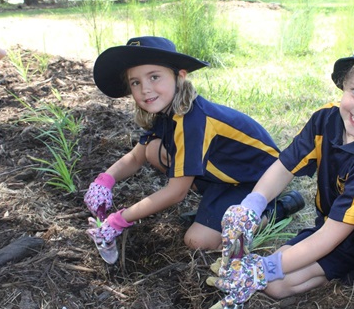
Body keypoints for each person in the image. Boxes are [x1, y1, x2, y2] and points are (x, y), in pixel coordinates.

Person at [213, 32, 354, 309]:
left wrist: (264, 266)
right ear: (344, 84)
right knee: (274, 285)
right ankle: (351, 271)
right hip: (339, 229)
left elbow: (332, 234)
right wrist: (251, 205)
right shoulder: (325, 120)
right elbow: (285, 166)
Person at [84, 36, 305, 264]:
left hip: (258, 181)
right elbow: (137, 156)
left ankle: (275, 209)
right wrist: (105, 180)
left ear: (179, 76)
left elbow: (176, 192)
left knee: (197, 241)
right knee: (153, 150)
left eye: (154, 77)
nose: (145, 89)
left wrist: (120, 220)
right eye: (135, 82)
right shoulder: (167, 110)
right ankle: (215, 209)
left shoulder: (193, 121)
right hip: (223, 174)